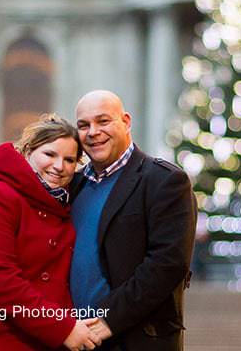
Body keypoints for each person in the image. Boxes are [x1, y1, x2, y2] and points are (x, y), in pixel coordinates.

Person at [0, 114, 101, 351]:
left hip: (36, 340)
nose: (59, 166)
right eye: (50, 154)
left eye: (69, 160)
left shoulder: (63, 208)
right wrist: (62, 328)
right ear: (27, 152)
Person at [69, 90, 196, 351]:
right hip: (76, 337)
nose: (93, 132)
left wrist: (109, 319)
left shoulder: (164, 180)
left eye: (103, 121)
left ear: (126, 122)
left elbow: (168, 263)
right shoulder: (74, 184)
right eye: (84, 125)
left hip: (135, 339)